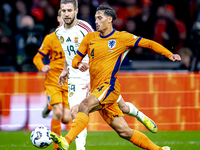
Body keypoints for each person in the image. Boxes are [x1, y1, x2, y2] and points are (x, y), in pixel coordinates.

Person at [50, 4, 181, 150]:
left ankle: (66, 141)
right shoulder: (90, 38)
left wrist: (169, 54)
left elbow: (148, 43)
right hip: (97, 89)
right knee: (124, 132)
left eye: (100, 18)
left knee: (84, 106)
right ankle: (159, 149)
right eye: (95, 18)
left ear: (109, 19)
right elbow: (75, 60)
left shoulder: (121, 37)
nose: (96, 21)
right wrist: (78, 64)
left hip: (109, 88)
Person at [33, 9, 71, 150]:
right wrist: (42, 66)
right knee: (59, 113)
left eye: (69, 17)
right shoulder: (50, 38)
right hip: (53, 81)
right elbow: (37, 57)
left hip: (68, 83)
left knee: (66, 119)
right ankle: (56, 148)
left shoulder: (75, 38)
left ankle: (49, 106)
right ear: (58, 18)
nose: (66, 19)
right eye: (63, 17)